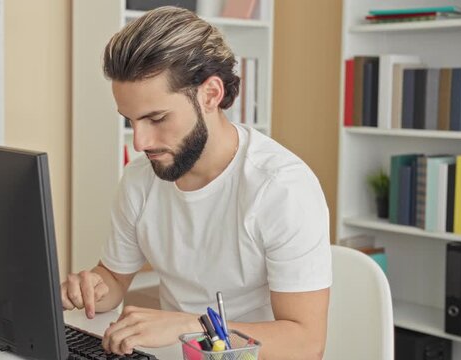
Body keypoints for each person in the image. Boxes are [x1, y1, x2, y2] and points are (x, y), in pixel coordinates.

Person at [61, 6, 331, 359]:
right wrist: (93, 287)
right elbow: (114, 278)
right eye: (130, 121)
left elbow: (306, 343)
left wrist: (190, 326)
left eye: (156, 118)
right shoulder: (141, 179)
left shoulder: (281, 188)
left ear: (210, 94)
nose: (140, 142)